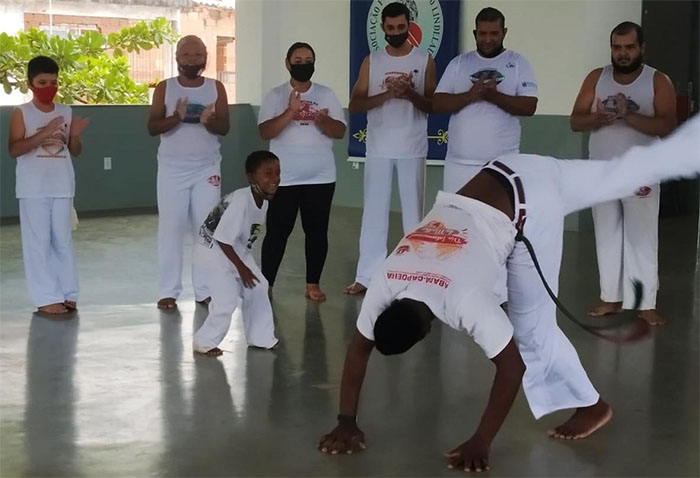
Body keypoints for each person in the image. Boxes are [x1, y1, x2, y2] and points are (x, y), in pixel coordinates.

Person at [318, 117, 699, 472]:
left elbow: (511, 367)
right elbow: (359, 346)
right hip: (511, 168)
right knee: (625, 172)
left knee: (531, 328)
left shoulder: (464, 301)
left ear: (425, 333)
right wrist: (345, 421)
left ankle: (591, 405)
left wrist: (480, 442)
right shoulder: (387, 279)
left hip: (530, 206)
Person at [570, 22, 676, 326]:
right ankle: (611, 299)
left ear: (642, 48)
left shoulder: (657, 81)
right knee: (606, 234)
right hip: (601, 171)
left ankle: (644, 304)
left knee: (641, 237)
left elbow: (667, 126)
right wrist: (597, 118)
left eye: (629, 47)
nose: (623, 53)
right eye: (617, 47)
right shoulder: (596, 78)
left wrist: (628, 115)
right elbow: (575, 121)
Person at [345, 2, 436, 296]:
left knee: (413, 215)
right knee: (374, 214)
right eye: (391, 28)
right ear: (383, 28)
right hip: (379, 147)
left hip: (412, 147)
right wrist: (386, 94)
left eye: (401, 27)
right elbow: (356, 104)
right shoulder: (373, 61)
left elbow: (433, 105)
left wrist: (409, 92)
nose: (396, 32)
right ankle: (367, 276)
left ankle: (417, 275)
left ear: (409, 25)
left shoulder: (425, 60)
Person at [258, 42, 347, 303]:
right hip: (283, 179)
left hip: (320, 177)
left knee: (317, 232)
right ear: (287, 63)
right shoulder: (274, 95)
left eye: (308, 59)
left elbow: (339, 132)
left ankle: (312, 284)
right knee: (277, 231)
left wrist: (324, 121)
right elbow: (265, 132)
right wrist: (290, 112)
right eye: (298, 60)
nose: (303, 64)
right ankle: (267, 284)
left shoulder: (326, 94)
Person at [148, 35, 230, 311]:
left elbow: (225, 128)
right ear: (177, 58)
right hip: (172, 170)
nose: (192, 60)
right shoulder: (165, 88)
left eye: (198, 55)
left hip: (207, 168)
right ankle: (168, 291)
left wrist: (209, 121)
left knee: (206, 230)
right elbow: (152, 127)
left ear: (206, 58)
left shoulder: (216, 88)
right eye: (187, 55)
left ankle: (204, 290)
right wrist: (177, 118)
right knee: (170, 230)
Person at [8, 56, 89, 315]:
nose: (49, 87)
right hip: (33, 188)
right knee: (38, 242)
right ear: (30, 84)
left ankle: (68, 292)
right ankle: (45, 297)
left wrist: (74, 135)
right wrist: (44, 133)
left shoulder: (65, 111)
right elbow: (14, 149)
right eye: (42, 82)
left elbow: (74, 150)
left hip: (62, 184)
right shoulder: (22, 112)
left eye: (53, 82)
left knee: (62, 240)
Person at [432, 6, 538, 194]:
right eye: (482, 33)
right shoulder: (458, 64)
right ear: (475, 33)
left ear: (504, 32)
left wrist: (494, 96)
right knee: (456, 220)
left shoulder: (518, 63)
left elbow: (529, 107)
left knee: (495, 220)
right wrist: (471, 95)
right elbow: (438, 103)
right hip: (459, 164)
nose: (488, 39)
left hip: (502, 164)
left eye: (494, 33)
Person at [192, 151, 281, 356]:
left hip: (235, 249)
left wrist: (245, 266)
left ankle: (261, 337)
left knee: (259, 287)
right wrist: (242, 269)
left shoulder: (264, 202)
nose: (275, 179)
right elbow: (222, 238)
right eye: (268, 173)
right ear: (252, 177)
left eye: (278, 173)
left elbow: (240, 238)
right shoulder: (241, 200)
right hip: (212, 251)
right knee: (226, 300)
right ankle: (204, 341)